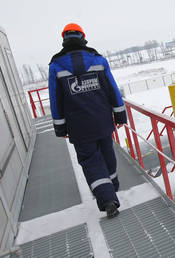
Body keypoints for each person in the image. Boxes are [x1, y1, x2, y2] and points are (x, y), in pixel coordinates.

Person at [48, 23, 126, 218]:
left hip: (78, 127)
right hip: (102, 121)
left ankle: (107, 199)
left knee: (91, 162)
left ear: (63, 39)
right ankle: (113, 187)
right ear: (83, 37)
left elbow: (55, 99)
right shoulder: (98, 60)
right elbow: (112, 90)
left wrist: (60, 127)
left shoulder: (56, 65)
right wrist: (120, 114)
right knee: (107, 154)